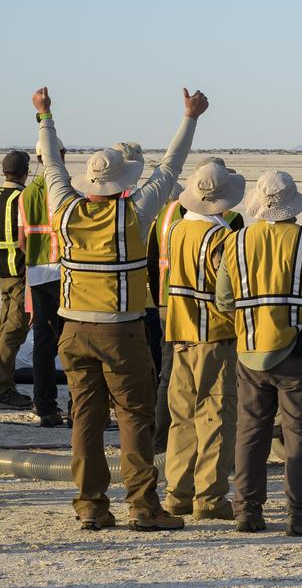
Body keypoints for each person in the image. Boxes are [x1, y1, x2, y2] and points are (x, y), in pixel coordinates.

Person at [33, 85, 206, 531]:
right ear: (122, 181)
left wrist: (45, 116)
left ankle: (91, 504)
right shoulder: (133, 215)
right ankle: (144, 506)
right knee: (134, 418)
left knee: (85, 420)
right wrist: (189, 117)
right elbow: (171, 167)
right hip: (122, 332)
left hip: (73, 331)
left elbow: (51, 163)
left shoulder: (65, 210)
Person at [216, 169, 302, 535]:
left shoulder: (236, 241)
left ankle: (247, 512)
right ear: (293, 204)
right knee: (299, 434)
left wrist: (250, 326)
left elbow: (224, 300)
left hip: (250, 352)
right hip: (297, 352)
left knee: (250, 433)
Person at [162, 159, 246, 520]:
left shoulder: (175, 229)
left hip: (179, 336)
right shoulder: (222, 238)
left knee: (181, 418)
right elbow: (230, 294)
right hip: (214, 337)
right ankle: (210, 497)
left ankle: (177, 494)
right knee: (214, 418)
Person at [21, 144, 70, 425]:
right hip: (63, 273)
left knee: (42, 342)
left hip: (38, 274)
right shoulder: (63, 189)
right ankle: (78, 407)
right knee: (71, 340)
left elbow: (23, 240)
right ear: (59, 155)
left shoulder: (25, 194)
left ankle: (45, 407)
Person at [147, 181, 185, 450]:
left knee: (168, 370)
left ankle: (160, 439)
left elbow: (151, 260)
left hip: (163, 300)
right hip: (194, 307)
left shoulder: (163, 216)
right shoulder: (229, 219)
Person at [0, 150, 33, 410]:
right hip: (18, 275)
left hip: (1, 277)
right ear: (25, 171)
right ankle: (4, 390)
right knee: (13, 333)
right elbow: (25, 241)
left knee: (3, 332)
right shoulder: (24, 198)